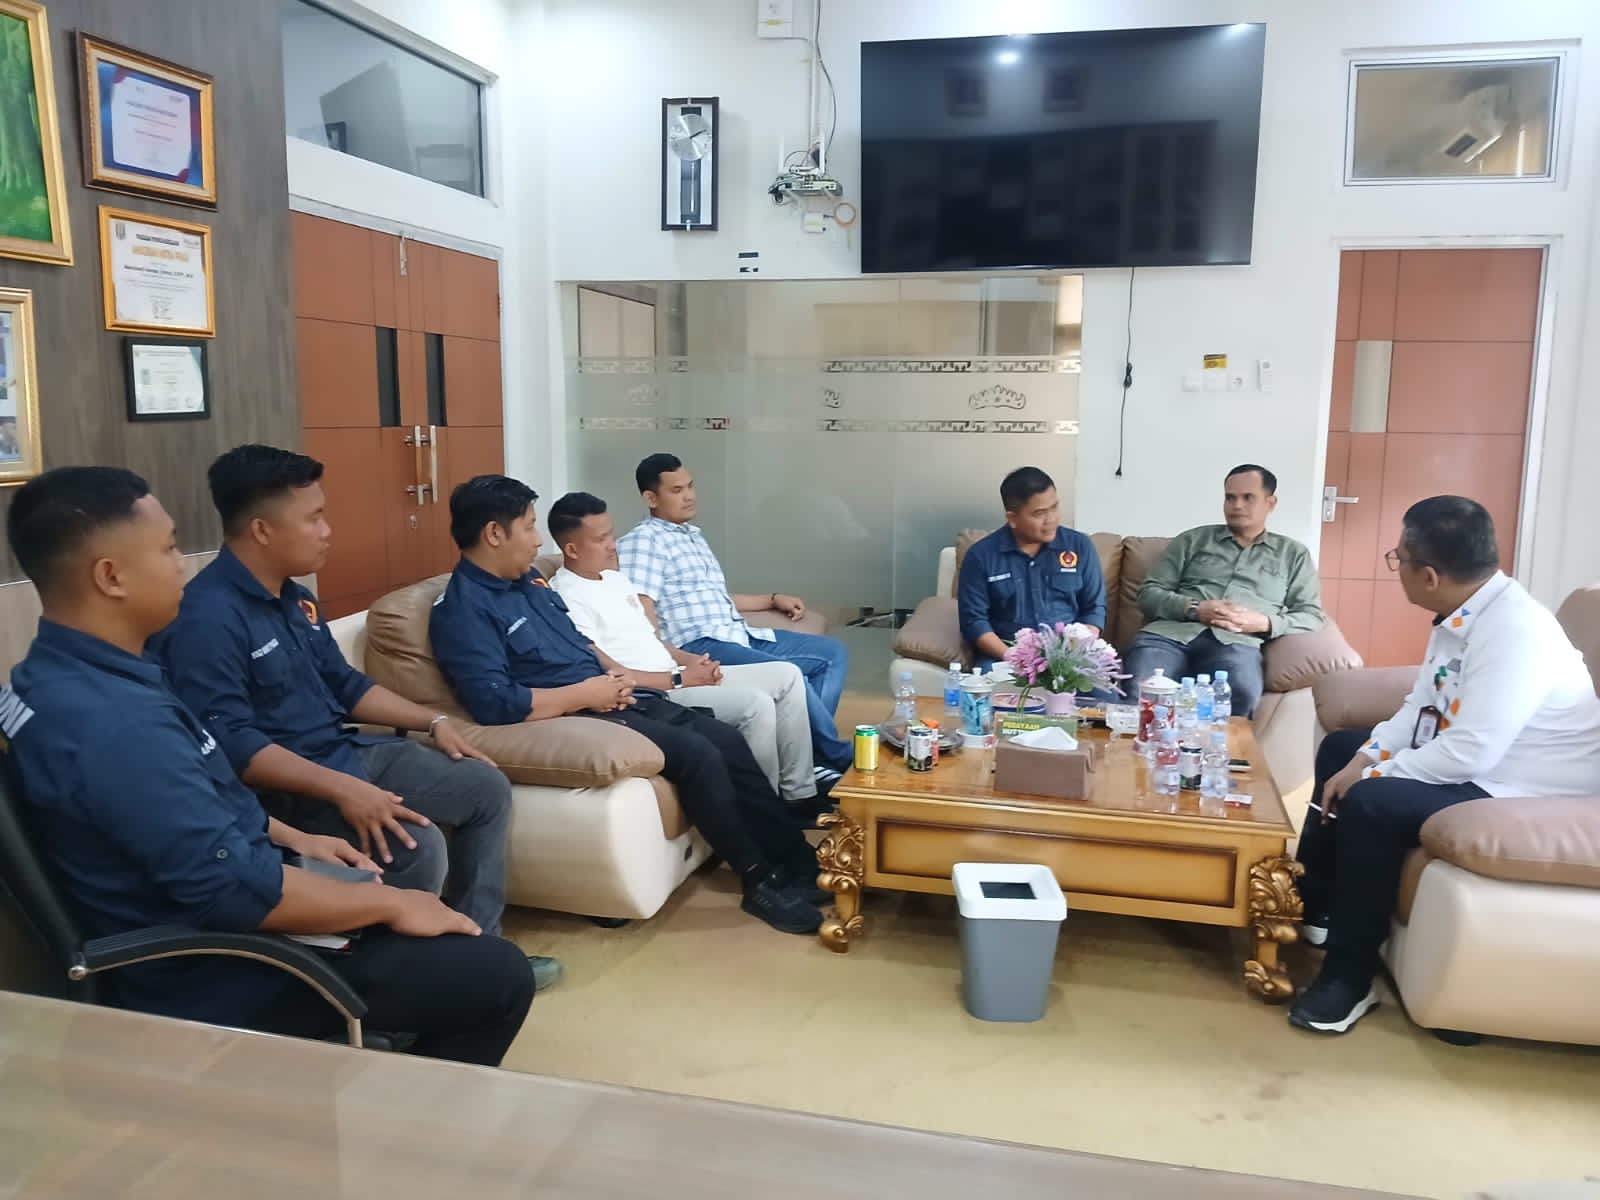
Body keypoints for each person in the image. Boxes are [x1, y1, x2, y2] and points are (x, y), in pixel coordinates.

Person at [2, 467, 533, 1065]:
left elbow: (192, 800)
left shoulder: (61, 675)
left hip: (219, 901)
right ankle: (394, 1103)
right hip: (214, 967)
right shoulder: (114, 720)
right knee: (496, 977)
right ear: (111, 577)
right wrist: (393, 906)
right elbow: (232, 892)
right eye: (169, 549)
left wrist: (292, 837)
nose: (181, 567)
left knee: (412, 890)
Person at [152, 445, 561, 990]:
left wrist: (434, 723)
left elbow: (345, 686)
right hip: (291, 788)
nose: (327, 531)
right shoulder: (206, 618)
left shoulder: (295, 599)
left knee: (484, 787)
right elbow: (230, 744)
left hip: (347, 751)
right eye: (314, 518)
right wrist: (345, 789)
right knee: (416, 847)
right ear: (262, 530)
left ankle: (476, 947)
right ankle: (414, 984)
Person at [427, 474, 826, 936]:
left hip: (613, 694)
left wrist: (617, 674)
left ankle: (796, 858)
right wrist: (586, 694)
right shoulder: (462, 609)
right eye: (530, 527)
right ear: (495, 533)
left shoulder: (529, 582)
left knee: (726, 739)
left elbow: (580, 643)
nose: (538, 541)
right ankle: (758, 877)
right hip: (576, 713)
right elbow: (495, 703)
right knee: (698, 754)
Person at [1290, 496, 1600, 1035]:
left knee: (1372, 802)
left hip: (1522, 784)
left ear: (1429, 576)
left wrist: (1373, 776)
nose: (1396, 566)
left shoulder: (1515, 630)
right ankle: (1316, 905)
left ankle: (1348, 979)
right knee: (1341, 749)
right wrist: (1365, 757)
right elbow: (1423, 704)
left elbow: (1470, 752)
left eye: (1398, 557)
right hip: (1485, 759)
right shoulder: (1464, 611)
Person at [546, 491, 826, 812]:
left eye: (611, 533)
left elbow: (651, 641)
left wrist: (694, 661)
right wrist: (680, 679)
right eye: (601, 539)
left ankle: (800, 794)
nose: (612, 545)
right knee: (755, 704)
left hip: (678, 673)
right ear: (571, 549)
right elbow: (604, 670)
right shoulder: (564, 596)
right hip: (655, 693)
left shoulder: (615, 580)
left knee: (788, 675)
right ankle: (766, 809)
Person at [617, 453, 852, 775]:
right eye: (677, 490)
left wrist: (772, 599)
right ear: (650, 498)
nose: (689, 496)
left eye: (690, 486)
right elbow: (642, 608)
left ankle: (811, 757)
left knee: (832, 654)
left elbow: (715, 597)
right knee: (790, 674)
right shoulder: (644, 541)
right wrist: (671, 659)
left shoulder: (691, 536)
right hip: (701, 644)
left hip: (736, 633)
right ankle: (833, 758)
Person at [1122, 464, 1324, 717]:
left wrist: (1264, 622)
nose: (1237, 505)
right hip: (1169, 636)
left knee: (1241, 691)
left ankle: (1214, 744)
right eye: (1230, 497)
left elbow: (1311, 615)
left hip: (1237, 643)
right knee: (1141, 688)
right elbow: (1149, 593)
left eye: (1248, 497)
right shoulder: (1192, 540)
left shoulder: (1293, 554)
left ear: (1270, 503)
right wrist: (1194, 609)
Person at [957, 466, 1108, 679]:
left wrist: (1075, 651)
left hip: (1070, 657)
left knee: (1105, 695)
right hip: (1005, 657)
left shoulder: (1079, 546)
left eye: (1054, 507)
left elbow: (1094, 608)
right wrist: (1012, 656)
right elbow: (974, 622)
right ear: (1012, 518)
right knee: (990, 691)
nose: (1051, 519)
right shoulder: (981, 556)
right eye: (1039, 513)